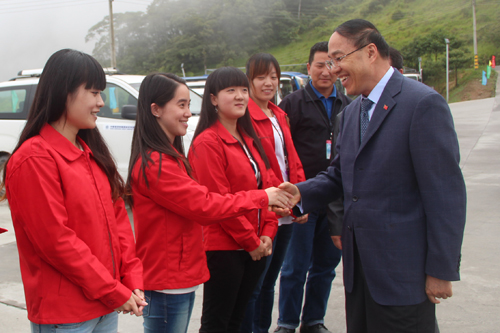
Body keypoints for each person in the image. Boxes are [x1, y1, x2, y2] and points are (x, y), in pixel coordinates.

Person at [279, 19, 466, 332]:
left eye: (338, 59)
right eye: (327, 62)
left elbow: (445, 194)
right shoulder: (352, 112)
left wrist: (441, 268)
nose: (334, 69)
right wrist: (300, 194)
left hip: (403, 275)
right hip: (360, 274)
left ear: (370, 51)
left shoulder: (421, 104)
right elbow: (340, 173)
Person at [127, 73, 292, 333]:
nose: (187, 113)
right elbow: (206, 205)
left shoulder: (171, 158)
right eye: (181, 105)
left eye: (188, 105)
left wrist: (268, 227)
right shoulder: (157, 164)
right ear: (156, 109)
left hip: (181, 274)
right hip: (170, 276)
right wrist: (261, 201)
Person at [0, 49, 147, 333]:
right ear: (63, 92)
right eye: (93, 93)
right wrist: (114, 291)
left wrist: (132, 279)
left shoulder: (91, 154)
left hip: (106, 305)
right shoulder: (35, 159)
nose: (100, 102)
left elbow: (119, 224)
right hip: (67, 314)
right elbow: (57, 242)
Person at [189, 67, 279, 332]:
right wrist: (251, 242)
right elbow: (218, 201)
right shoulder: (208, 142)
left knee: (237, 320)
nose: (240, 96)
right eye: (231, 91)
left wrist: (268, 234)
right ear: (213, 99)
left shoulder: (250, 138)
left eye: (243, 90)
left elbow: (269, 190)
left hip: (256, 246)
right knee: (218, 322)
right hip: (225, 248)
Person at [274, 41, 351, 333]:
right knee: (294, 267)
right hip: (302, 198)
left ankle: (313, 321)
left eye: (331, 64)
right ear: (308, 68)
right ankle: (287, 323)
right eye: (320, 64)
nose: (326, 71)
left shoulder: (348, 104)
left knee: (326, 267)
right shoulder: (292, 104)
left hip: (335, 198)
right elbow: (280, 151)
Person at [241, 53, 307, 333]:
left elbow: (291, 159)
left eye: (273, 77)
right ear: (249, 81)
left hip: (286, 210)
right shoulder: (245, 117)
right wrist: (277, 201)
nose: (268, 83)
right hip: (265, 210)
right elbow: (260, 168)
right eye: (261, 77)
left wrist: (300, 198)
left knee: (269, 283)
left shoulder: (278, 113)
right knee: (254, 286)